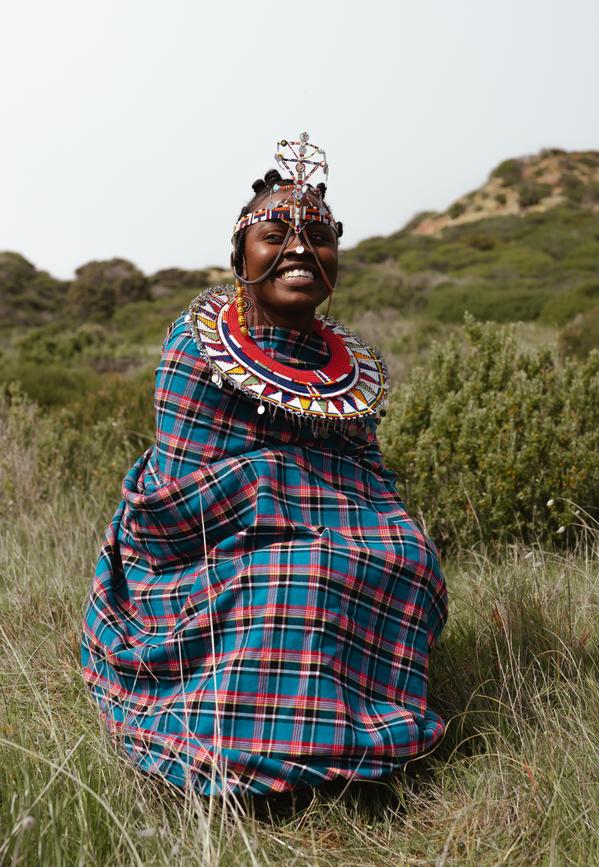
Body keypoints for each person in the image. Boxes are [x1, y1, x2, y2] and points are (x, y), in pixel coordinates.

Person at [81, 133, 447, 798]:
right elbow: (174, 504)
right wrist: (290, 493)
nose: (301, 248)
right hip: (199, 553)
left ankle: (363, 740)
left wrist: (331, 512)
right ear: (240, 254)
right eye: (275, 232)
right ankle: (256, 765)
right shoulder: (197, 348)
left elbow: (368, 483)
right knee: (296, 576)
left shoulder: (347, 371)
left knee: (407, 552)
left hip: (320, 529)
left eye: (321, 236)